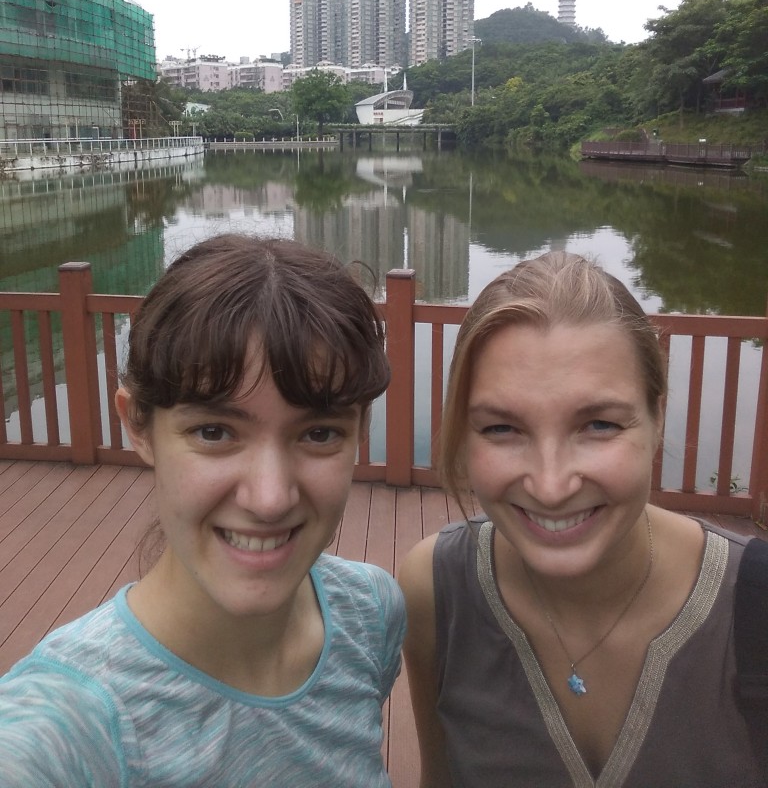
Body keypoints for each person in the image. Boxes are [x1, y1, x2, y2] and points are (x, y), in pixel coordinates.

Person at [0, 234, 405, 787]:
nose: (269, 498)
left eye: (318, 432)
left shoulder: (370, 614)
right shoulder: (67, 729)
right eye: (214, 432)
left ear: (362, 431)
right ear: (137, 424)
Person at [399, 251, 767, 788]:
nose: (551, 485)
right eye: (502, 429)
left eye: (598, 424)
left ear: (657, 415)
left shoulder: (752, 606)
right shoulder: (437, 589)